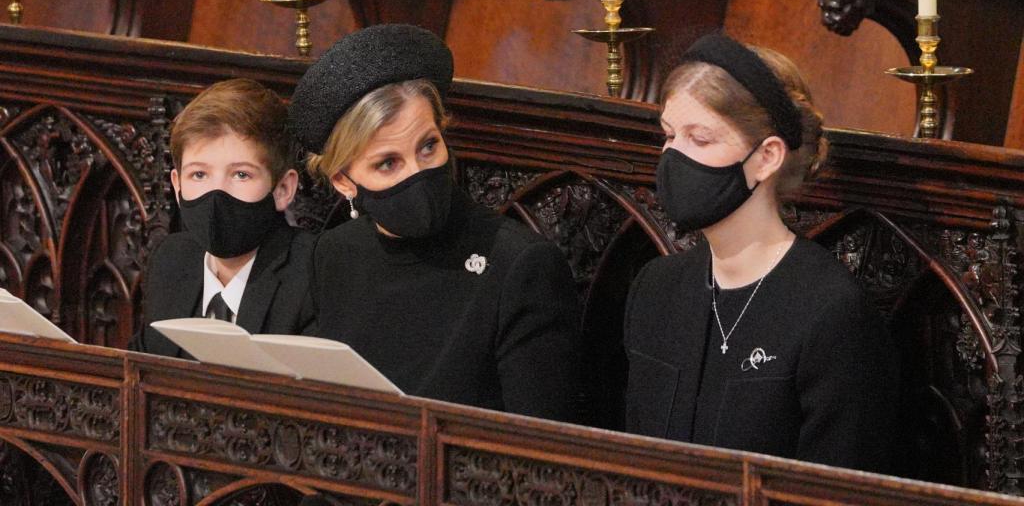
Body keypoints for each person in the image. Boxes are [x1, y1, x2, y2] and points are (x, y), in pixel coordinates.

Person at [623, 34, 896, 472]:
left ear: (767, 157)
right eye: (669, 136)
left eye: (701, 139)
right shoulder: (656, 288)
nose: (672, 158)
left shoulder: (832, 313)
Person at [288, 24, 581, 422]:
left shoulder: (521, 265)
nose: (417, 173)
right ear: (343, 180)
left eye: (428, 146)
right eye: (388, 163)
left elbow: (542, 445)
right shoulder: (335, 253)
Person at [134, 78, 316, 357]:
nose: (216, 194)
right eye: (199, 174)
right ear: (177, 184)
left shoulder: (312, 274)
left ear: (283, 189)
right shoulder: (171, 261)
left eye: (241, 174)